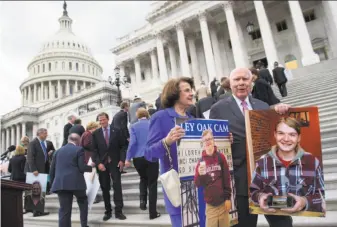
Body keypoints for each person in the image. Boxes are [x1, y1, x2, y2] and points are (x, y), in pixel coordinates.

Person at [209, 67, 292, 227]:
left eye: (245, 79)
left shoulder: (263, 105)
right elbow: (213, 145)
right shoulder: (218, 109)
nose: (241, 83)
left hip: (270, 179)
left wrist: (282, 113)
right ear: (230, 84)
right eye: (236, 80)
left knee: (283, 223)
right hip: (240, 181)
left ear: (251, 82)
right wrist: (222, 141)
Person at [145, 77, 195, 227]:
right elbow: (149, 154)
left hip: (198, 185)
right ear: (174, 93)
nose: (192, 93)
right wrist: (166, 142)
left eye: (191, 90)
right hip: (177, 187)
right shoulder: (160, 117)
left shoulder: (193, 119)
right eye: (187, 90)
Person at [250, 117, 325, 216]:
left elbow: (322, 195)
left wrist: (304, 201)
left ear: (299, 138)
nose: (286, 139)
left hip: (304, 218)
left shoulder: (313, 162)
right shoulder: (262, 162)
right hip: (275, 219)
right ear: (275, 135)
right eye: (281, 133)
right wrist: (260, 197)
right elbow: (253, 191)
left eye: (292, 134)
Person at [50, 133, 93, 227]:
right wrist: (91, 167)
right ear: (77, 141)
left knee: (64, 210)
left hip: (61, 184)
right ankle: (84, 225)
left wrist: (53, 184)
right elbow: (82, 167)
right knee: (83, 202)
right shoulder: (79, 149)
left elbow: (52, 170)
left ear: (69, 140)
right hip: (76, 183)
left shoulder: (57, 151)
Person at [125, 108, 161, 219]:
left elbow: (133, 143)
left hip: (138, 158)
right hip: (151, 156)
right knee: (152, 184)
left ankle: (142, 201)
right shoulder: (152, 124)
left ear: (138, 116)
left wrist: (127, 158)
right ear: (147, 114)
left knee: (143, 179)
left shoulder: (133, 127)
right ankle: (152, 213)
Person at [92, 112, 128, 221]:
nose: (102, 122)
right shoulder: (95, 134)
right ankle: (108, 211)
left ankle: (119, 211)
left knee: (117, 187)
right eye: (100, 120)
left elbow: (123, 146)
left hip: (115, 163)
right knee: (105, 188)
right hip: (102, 165)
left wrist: (122, 160)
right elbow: (94, 151)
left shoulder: (116, 131)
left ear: (108, 119)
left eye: (103, 119)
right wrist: (98, 163)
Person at [194, 130, 231, 227]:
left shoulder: (221, 157)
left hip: (223, 205)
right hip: (210, 208)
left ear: (213, 140)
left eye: (210, 139)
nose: (208, 141)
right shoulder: (201, 162)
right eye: (205, 140)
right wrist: (199, 173)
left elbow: (226, 179)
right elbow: (197, 184)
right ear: (203, 143)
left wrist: (228, 198)